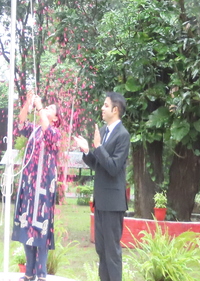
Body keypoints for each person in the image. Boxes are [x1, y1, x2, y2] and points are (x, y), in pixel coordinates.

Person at [75, 92, 130, 281]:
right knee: (101, 250)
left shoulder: (123, 135)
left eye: (106, 105)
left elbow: (114, 168)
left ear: (115, 110)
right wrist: (87, 151)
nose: (102, 108)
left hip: (113, 204)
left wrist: (98, 147)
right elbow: (99, 165)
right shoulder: (104, 131)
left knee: (112, 252)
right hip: (100, 201)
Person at [12, 91, 61, 281]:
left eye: (50, 108)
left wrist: (39, 107)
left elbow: (48, 134)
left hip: (43, 190)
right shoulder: (34, 130)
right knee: (27, 226)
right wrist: (28, 103)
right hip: (29, 187)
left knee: (41, 228)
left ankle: (41, 275)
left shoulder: (54, 132)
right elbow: (21, 123)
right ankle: (29, 273)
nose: (46, 108)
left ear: (55, 118)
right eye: (46, 106)